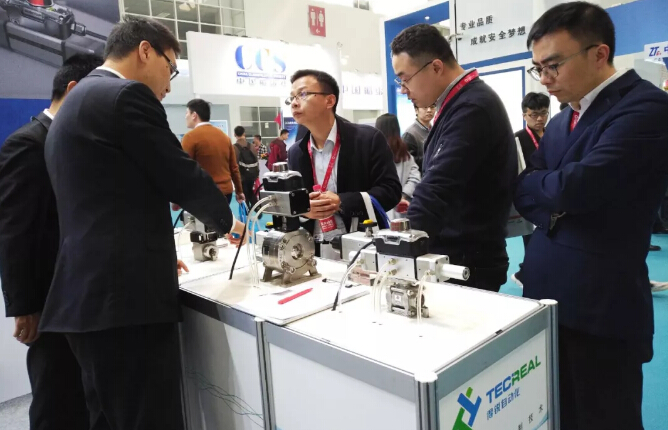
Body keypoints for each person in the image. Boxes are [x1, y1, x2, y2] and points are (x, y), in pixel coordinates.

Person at [40, 16, 245, 430]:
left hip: (88, 297)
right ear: (146, 51)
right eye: (171, 68)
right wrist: (230, 224)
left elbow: (109, 197)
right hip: (124, 303)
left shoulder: (75, 102)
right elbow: (178, 172)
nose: (169, 84)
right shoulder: (124, 95)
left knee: (108, 418)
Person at [515, 3, 668, 428]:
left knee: (605, 417)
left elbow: (577, 188)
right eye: (537, 69)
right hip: (545, 298)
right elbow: (524, 188)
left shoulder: (647, 108)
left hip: (601, 308)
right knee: (557, 414)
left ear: (599, 54)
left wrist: (551, 189)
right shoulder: (562, 120)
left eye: (553, 65)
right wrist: (553, 191)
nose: (545, 79)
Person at [0, 53, 102, 430]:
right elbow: (14, 230)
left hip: (82, 295)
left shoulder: (80, 143)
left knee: (83, 397)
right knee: (56, 400)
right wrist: (24, 306)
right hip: (48, 299)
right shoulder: (28, 144)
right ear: (73, 91)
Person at [391, 24, 516, 293]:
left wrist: (397, 247)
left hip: (468, 261)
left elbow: (439, 185)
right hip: (458, 252)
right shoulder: (459, 103)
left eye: (405, 79)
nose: (403, 89)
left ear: (436, 67)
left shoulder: (472, 107)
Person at [286, 69, 401, 257]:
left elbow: (391, 191)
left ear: (329, 101)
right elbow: (290, 203)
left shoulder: (367, 139)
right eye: (291, 97)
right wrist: (304, 211)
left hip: (363, 246)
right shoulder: (296, 153)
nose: (294, 103)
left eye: (303, 94)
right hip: (313, 251)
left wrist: (342, 201)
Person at [511, 92, 550, 287]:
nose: (540, 119)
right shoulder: (517, 139)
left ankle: (531, 273)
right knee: (531, 241)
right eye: (534, 114)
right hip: (529, 197)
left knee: (548, 240)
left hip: (550, 192)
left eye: (543, 113)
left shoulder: (554, 133)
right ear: (524, 115)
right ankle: (526, 275)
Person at [182, 98, 244, 204]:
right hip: (226, 192)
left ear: (194, 115)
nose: (185, 116)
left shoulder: (190, 137)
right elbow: (234, 168)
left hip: (203, 193)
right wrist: (239, 191)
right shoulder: (225, 137)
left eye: (187, 113)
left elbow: (184, 168)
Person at [375, 113, 421, 220]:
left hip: (381, 211)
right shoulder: (405, 155)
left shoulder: (373, 154)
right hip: (402, 210)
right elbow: (415, 178)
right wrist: (402, 196)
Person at [402, 104, 435, 171]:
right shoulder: (410, 133)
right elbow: (407, 162)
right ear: (416, 110)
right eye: (425, 107)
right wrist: (432, 158)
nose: (429, 110)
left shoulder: (435, 130)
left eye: (432, 107)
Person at [233, 125, 260, 208]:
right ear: (244, 133)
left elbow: (233, 163)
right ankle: (257, 209)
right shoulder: (251, 146)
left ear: (234, 134)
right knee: (250, 191)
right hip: (252, 174)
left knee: (243, 194)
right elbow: (256, 159)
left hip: (241, 175)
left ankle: (246, 211)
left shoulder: (234, 147)